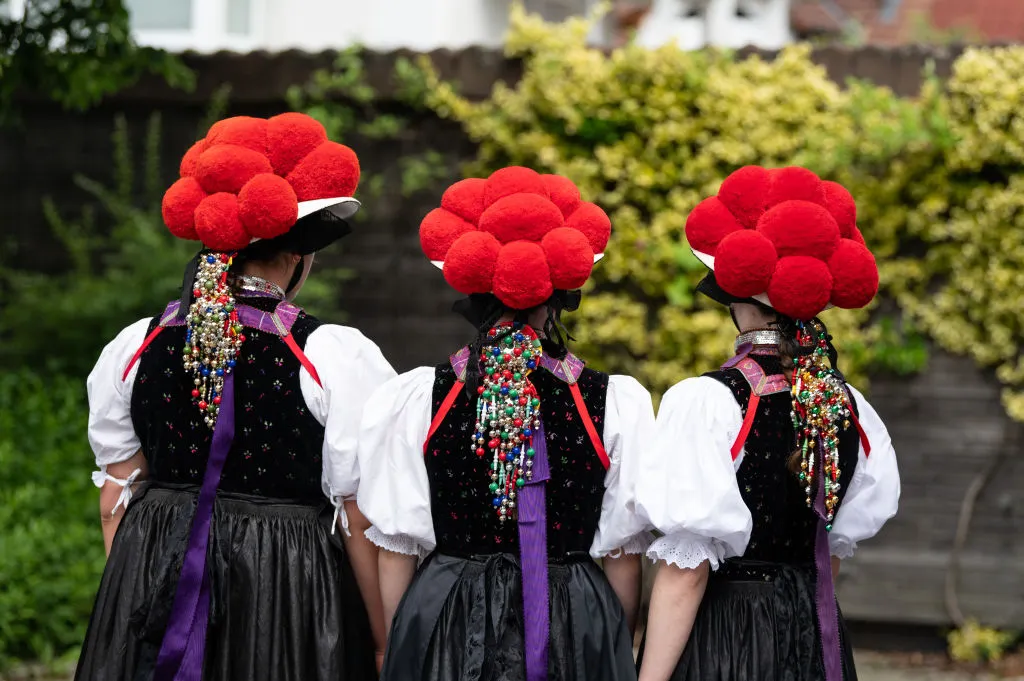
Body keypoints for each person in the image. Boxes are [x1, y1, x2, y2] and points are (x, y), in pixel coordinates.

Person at [76, 113, 395, 681]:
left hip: (154, 569)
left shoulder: (136, 345)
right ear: (298, 256)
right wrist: (380, 637)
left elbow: (116, 496)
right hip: (284, 586)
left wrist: (133, 588)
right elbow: (359, 515)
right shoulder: (329, 355)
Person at [356, 166, 653, 681]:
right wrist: (612, 642)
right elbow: (622, 554)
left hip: (448, 613)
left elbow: (397, 546)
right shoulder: (613, 401)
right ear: (558, 293)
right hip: (573, 617)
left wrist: (401, 646)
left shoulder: (418, 397)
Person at [635, 166, 901, 681]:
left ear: (738, 299)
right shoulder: (850, 406)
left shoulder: (707, 400)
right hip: (815, 630)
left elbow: (685, 575)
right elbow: (832, 551)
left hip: (729, 636)